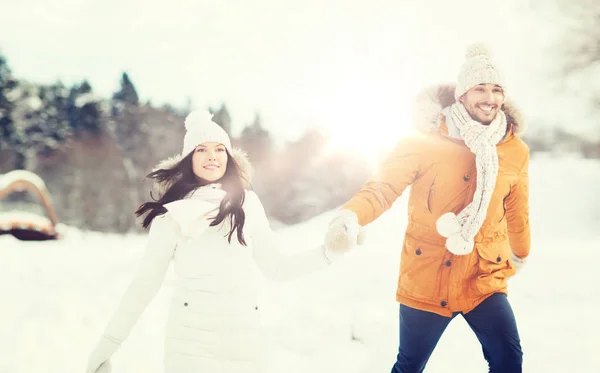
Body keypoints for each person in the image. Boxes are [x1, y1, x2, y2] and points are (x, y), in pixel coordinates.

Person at [324, 43, 530, 373]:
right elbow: (383, 188)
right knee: (410, 365)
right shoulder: (422, 140)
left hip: (483, 275)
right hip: (428, 273)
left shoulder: (514, 148)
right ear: (462, 94)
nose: (489, 98)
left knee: (509, 360)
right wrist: (350, 215)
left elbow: (518, 209)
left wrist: (520, 252)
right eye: (480, 88)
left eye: (496, 89)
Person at [86, 110, 335, 373]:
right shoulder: (171, 216)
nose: (212, 156)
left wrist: (329, 252)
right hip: (190, 346)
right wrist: (108, 345)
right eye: (201, 150)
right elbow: (144, 284)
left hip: (245, 343)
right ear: (188, 158)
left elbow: (277, 268)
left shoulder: (247, 205)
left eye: (219, 149)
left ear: (228, 157)